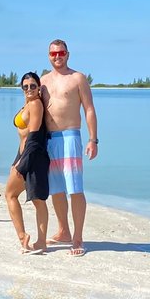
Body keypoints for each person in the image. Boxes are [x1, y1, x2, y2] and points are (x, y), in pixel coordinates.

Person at [40, 39, 98, 256]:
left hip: (70, 137)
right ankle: (63, 230)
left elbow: (89, 109)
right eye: (53, 53)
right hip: (50, 140)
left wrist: (93, 139)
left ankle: (77, 237)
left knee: (74, 189)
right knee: (56, 189)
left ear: (68, 54)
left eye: (61, 53)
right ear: (48, 55)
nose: (57, 56)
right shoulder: (43, 81)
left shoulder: (77, 78)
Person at [4, 72, 50, 254]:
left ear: (38, 87)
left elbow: (33, 136)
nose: (29, 89)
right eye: (25, 86)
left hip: (33, 156)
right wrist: (16, 160)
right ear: (21, 88)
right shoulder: (27, 104)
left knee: (12, 195)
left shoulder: (36, 104)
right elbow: (22, 140)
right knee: (28, 198)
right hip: (25, 156)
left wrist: (21, 164)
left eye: (33, 86)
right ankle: (32, 240)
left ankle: (31, 239)